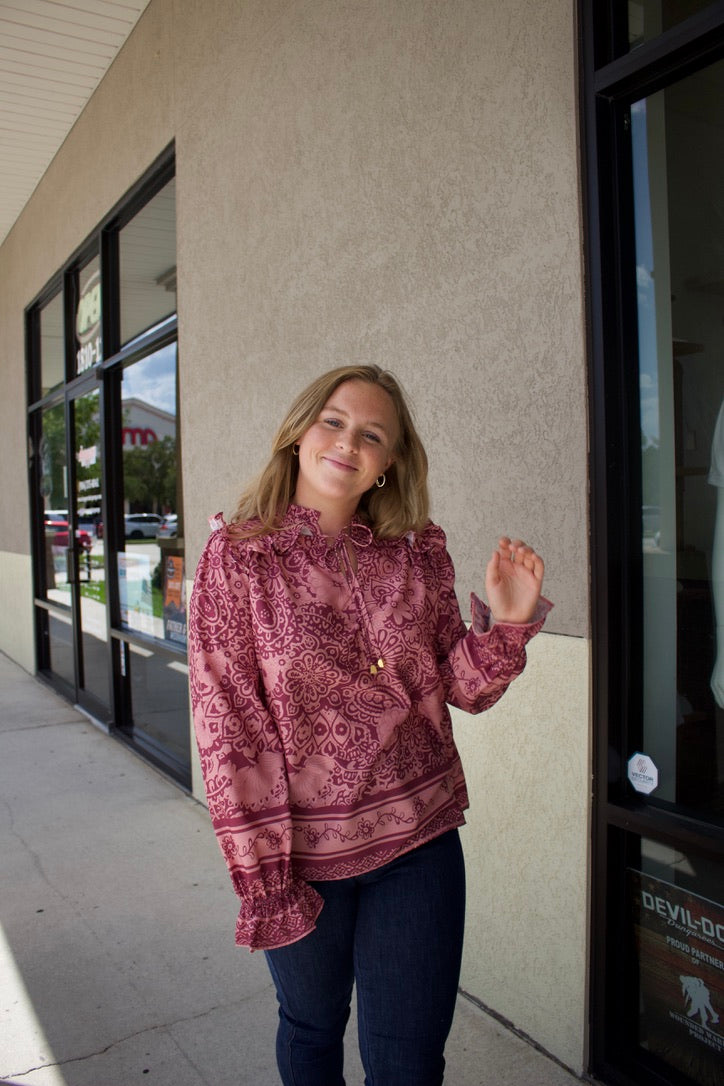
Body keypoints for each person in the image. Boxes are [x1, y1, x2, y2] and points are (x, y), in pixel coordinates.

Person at [188, 364, 551, 1086]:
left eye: (372, 434)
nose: (348, 442)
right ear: (298, 434)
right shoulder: (238, 559)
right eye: (334, 421)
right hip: (304, 859)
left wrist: (507, 626)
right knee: (313, 1032)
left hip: (418, 844)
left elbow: (459, 690)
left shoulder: (416, 554)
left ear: (389, 463)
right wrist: (265, 876)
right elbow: (228, 728)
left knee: (408, 1063)